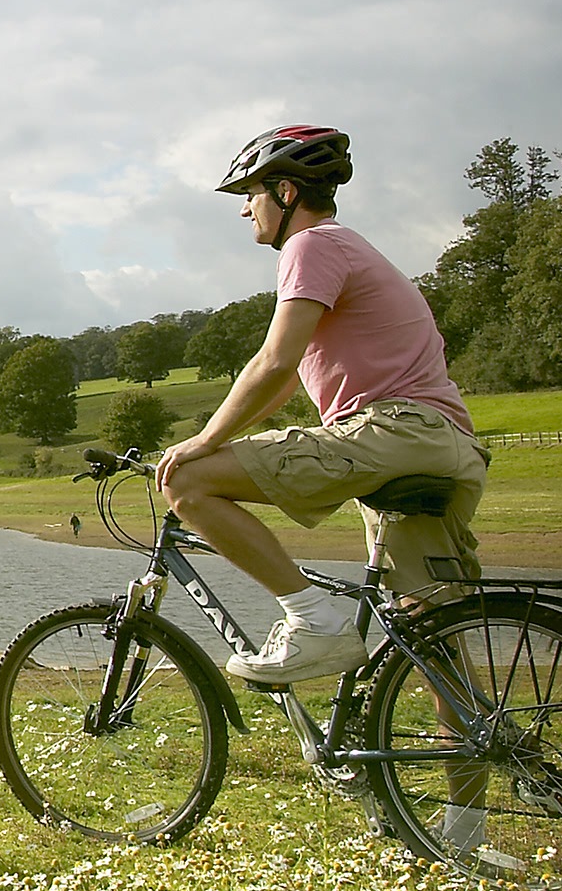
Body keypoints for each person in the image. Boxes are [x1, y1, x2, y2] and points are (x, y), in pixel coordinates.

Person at [155, 125, 490, 682]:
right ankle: (488, 745)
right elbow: (288, 382)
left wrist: (205, 441)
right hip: (443, 444)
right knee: (437, 646)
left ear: (285, 193)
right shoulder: (348, 247)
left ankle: (313, 621)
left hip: (392, 433)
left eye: (250, 195)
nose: (245, 213)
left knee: (187, 482)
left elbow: (274, 362)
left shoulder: (310, 245)